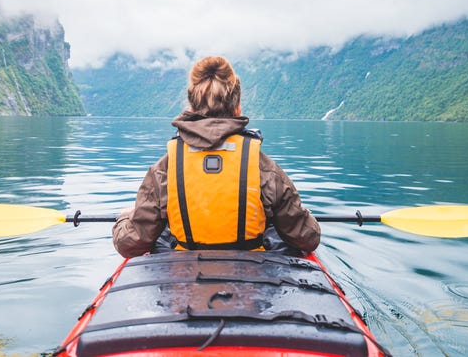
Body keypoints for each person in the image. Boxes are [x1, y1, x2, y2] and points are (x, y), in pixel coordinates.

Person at [112, 56, 320, 258]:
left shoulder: (165, 169)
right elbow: (307, 239)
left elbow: (131, 245)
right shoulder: (263, 167)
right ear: (237, 109)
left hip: (185, 277)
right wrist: (303, 215)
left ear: (192, 109)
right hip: (250, 277)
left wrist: (124, 218)